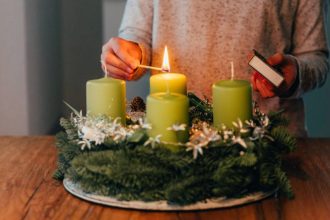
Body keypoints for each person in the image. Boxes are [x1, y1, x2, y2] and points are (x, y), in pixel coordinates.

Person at [101, 0, 329, 137]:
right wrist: (128, 54)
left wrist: (296, 73)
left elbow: (316, 56)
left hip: (269, 145)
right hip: (173, 141)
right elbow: (136, 34)